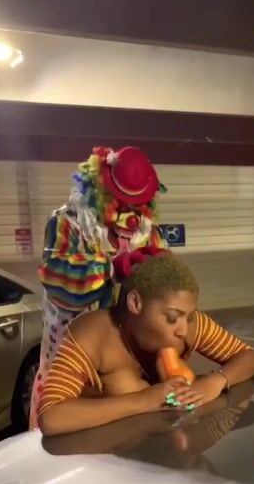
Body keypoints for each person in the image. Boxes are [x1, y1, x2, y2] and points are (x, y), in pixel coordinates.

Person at [38, 250, 254, 436]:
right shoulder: (93, 334)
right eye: (172, 318)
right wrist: (145, 400)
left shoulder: (191, 325)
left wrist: (215, 382)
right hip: (111, 461)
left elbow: (249, 357)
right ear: (135, 303)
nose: (183, 330)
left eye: (189, 317)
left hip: (170, 453)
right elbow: (51, 417)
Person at [29, 145, 167, 429]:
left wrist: (160, 274)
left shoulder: (148, 230)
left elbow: (161, 292)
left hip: (126, 366)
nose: (130, 214)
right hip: (71, 361)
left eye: (137, 205)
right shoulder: (66, 223)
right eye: (121, 204)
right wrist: (110, 268)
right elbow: (56, 277)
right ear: (101, 193)